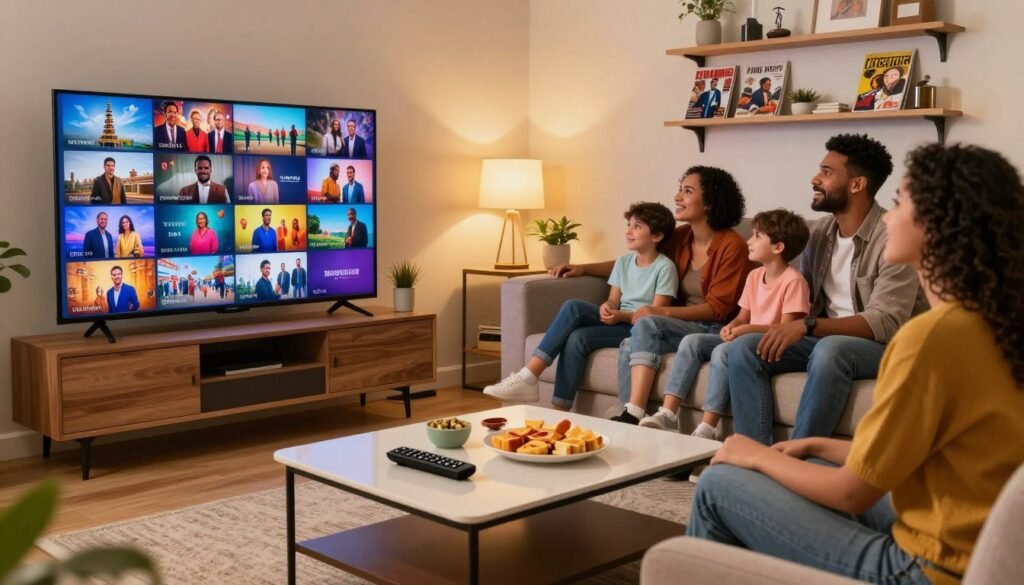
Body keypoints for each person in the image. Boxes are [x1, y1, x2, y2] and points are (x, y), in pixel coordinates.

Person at [687, 142, 1024, 585]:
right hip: (972, 539)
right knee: (809, 465)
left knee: (718, 486)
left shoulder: (930, 338)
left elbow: (852, 493)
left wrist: (754, 455)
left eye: (900, 203)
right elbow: (929, 458)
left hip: (925, 569)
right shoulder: (992, 322)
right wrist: (816, 446)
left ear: (936, 224)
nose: (887, 216)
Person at [725, 134, 925, 445]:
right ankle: (755, 453)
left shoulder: (893, 238)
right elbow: (799, 296)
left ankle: (798, 455)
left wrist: (807, 326)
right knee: (745, 348)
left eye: (827, 172)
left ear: (856, 184)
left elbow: (885, 321)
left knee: (831, 349)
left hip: (885, 346)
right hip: (821, 338)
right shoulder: (818, 235)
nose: (814, 179)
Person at [483, 202, 679, 408]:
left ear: (657, 236)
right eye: (628, 225)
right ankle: (558, 409)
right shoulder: (623, 262)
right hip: (619, 320)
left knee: (576, 323)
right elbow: (613, 299)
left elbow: (655, 317)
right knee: (574, 323)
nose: (628, 231)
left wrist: (621, 315)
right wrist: (608, 306)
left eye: (637, 227)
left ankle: (529, 377)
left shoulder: (665, 268)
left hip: (639, 330)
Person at [636, 209, 810, 435]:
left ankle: (708, 426)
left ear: (778, 247)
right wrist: (733, 326)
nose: (749, 241)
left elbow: (786, 329)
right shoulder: (754, 276)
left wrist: (746, 330)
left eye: (757, 236)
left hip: (768, 344)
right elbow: (743, 317)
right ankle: (668, 414)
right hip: (744, 337)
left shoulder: (794, 281)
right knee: (691, 341)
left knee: (721, 352)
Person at [607, 166, 751, 425]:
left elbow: (717, 309)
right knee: (629, 343)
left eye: (687, 191)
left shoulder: (733, 246)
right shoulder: (681, 237)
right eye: (680, 189)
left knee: (647, 324)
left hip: (713, 327)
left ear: (709, 202)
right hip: (680, 325)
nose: (677, 196)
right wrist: (582, 268)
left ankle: (634, 412)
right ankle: (628, 415)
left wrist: (660, 312)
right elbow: (638, 258)